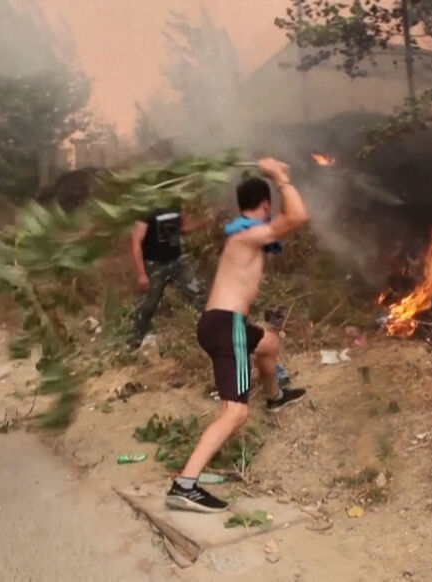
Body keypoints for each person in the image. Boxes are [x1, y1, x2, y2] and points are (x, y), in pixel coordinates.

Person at [165, 158, 308, 513]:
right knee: (235, 413)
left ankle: (275, 396)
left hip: (225, 324)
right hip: (227, 327)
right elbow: (298, 218)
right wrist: (281, 177)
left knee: (270, 343)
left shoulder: (241, 233)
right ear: (265, 204)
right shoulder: (248, 234)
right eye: (270, 204)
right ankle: (185, 485)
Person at [129, 203, 210, 348]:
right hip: (156, 265)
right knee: (148, 305)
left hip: (177, 261)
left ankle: (215, 329)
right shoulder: (147, 208)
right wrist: (141, 274)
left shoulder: (175, 203)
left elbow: (181, 229)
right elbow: (136, 242)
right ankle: (135, 339)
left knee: (199, 295)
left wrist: (203, 223)